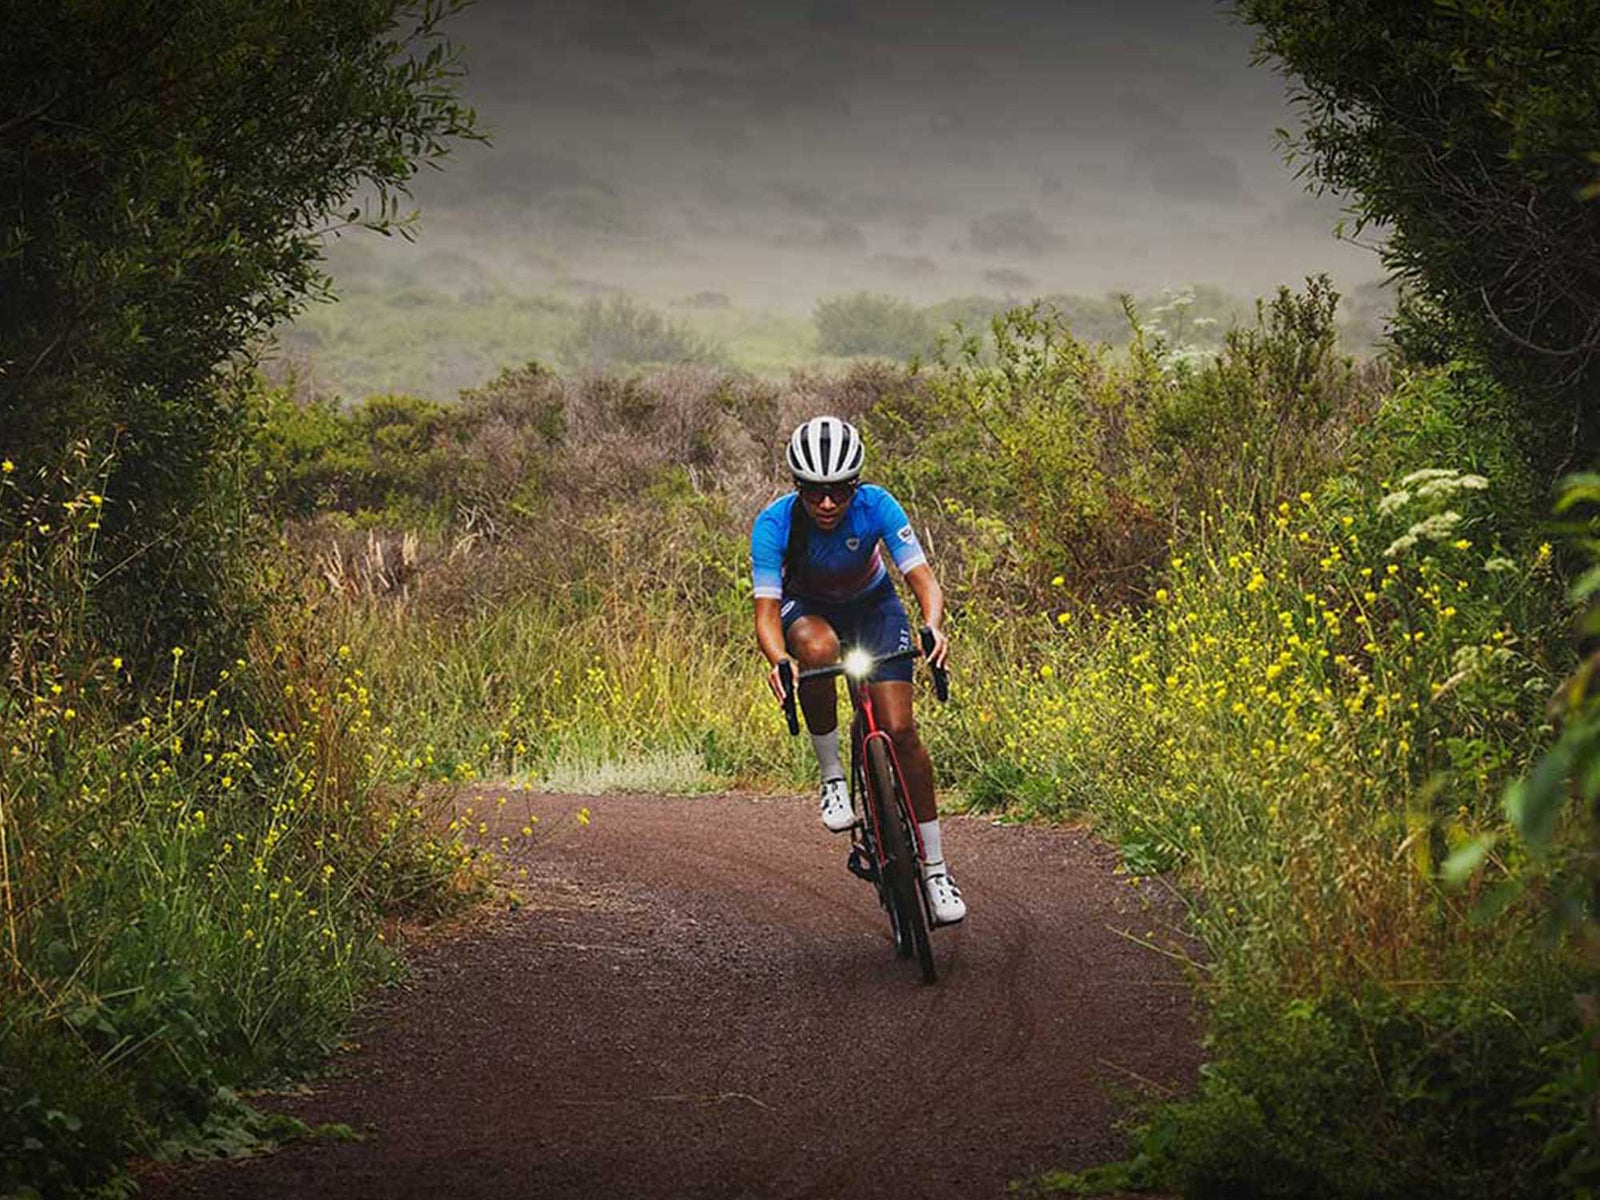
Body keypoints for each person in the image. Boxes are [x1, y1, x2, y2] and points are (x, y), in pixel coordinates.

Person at [750, 415, 966, 925]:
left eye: (840, 491)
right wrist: (780, 661)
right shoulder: (774, 523)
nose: (827, 504)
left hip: (874, 607)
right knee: (817, 649)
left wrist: (932, 626)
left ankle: (935, 871)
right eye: (814, 491)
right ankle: (832, 777)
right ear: (797, 486)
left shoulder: (878, 506)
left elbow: (922, 578)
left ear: (857, 485)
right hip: (808, 611)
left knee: (902, 730)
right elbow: (766, 616)